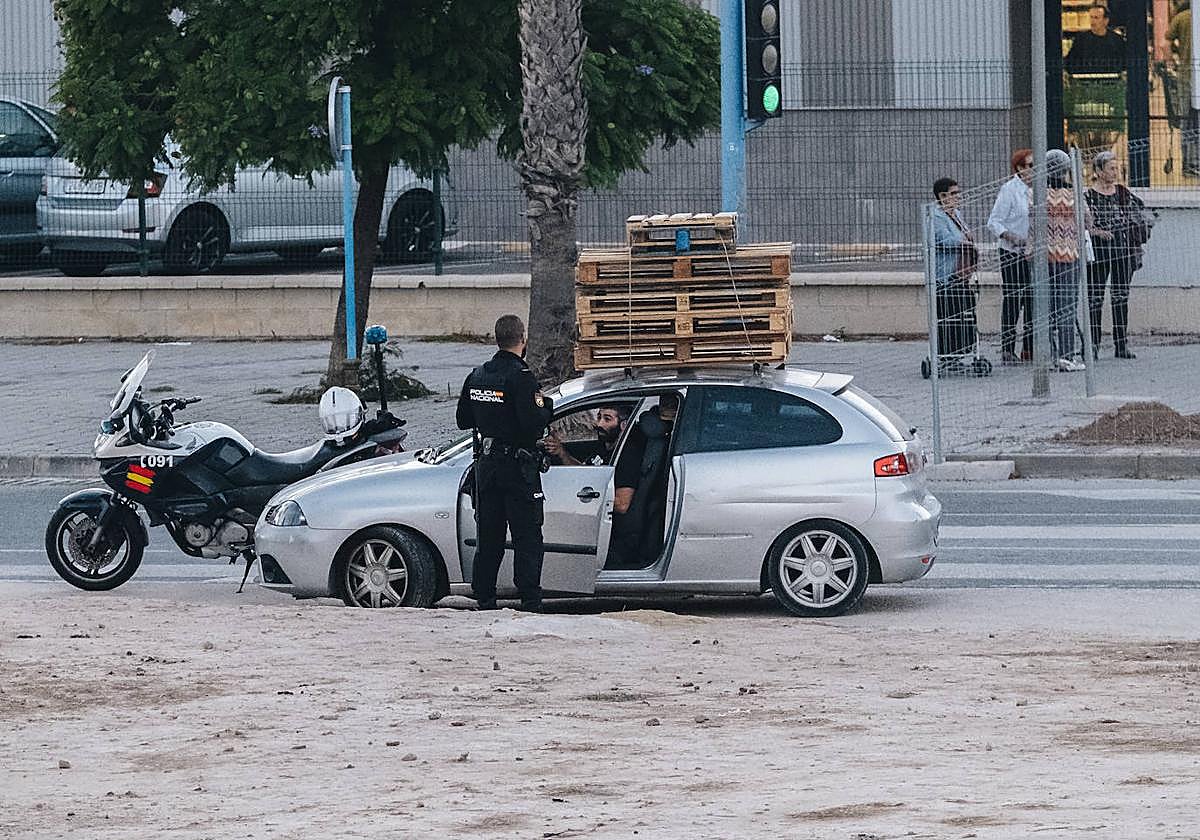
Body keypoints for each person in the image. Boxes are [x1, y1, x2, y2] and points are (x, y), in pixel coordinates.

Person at [455, 314, 553, 611]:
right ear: (522, 340)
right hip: (517, 469)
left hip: (486, 468)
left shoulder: (477, 375)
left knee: (489, 539)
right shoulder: (521, 377)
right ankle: (530, 600)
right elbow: (531, 422)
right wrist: (546, 406)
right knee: (527, 538)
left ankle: (484, 599)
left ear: (496, 339)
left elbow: (463, 420)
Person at [607, 393, 679, 570]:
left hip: (625, 538)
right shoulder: (649, 442)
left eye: (606, 418)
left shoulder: (629, 453)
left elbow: (622, 504)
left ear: (624, 425)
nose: (597, 424)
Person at [1086, 150, 1144, 359]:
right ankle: (1093, 345)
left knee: (1120, 297)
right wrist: (1097, 232)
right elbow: (1085, 225)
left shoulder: (1122, 193)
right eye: (1111, 168)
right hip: (1099, 254)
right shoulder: (1088, 197)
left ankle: (1121, 344)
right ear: (1099, 171)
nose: (1115, 172)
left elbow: (1139, 213)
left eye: (1116, 168)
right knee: (1095, 298)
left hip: (1123, 251)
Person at [988, 149, 1035, 364]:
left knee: (1033, 301)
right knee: (1014, 300)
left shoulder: (1039, 189)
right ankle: (1008, 349)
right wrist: (1013, 237)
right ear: (1020, 168)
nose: (1034, 170)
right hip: (1013, 252)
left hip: (1034, 254)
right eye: (1030, 166)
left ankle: (1030, 348)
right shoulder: (1010, 190)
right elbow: (994, 222)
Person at [1046, 149, 1088, 372]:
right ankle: (1067, 354)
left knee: (1046, 306)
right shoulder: (1073, 194)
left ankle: (1048, 355)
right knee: (1067, 306)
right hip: (1069, 254)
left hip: (1043, 256)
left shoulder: (1035, 193)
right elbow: (1087, 220)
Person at [930, 177, 979, 368]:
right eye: (953, 194)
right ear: (942, 196)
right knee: (948, 315)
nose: (957, 197)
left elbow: (967, 233)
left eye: (958, 193)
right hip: (945, 274)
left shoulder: (956, 214)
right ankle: (946, 356)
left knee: (963, 312)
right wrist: (964, 242)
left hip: (961, 272)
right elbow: (944, 240)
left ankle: (961, 352)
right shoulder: (936, 217)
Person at [543, 404, 631, 466]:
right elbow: (583, 471)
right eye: (599, 417)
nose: (599, 424)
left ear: (623, 425)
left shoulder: (625, 457)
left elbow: (622, 493)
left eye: (607, 419)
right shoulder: (603, 447)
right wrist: (561, 452)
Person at [1168, 1, 1198, 176]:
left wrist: (1173, 63)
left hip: (1186, 75)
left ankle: (1189, 164)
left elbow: (1166, 44)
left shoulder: (1181, 18)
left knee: (1187, 120)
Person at [1065, 4, 1127, 74]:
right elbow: (1070, 62)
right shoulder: (1081, 39)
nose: (1092, 21)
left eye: (1096, 18)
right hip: (1086, 80)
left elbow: (1124, 63)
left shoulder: (1116, 40)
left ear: (1106, 21)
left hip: (1111, 80)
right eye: (1091, 17)